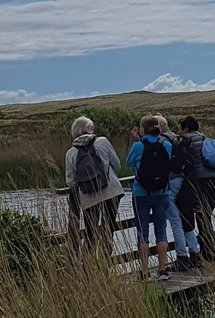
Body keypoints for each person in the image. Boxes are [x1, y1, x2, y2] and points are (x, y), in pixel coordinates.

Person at [64, 115, 125, 253]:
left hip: (89, 198)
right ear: (89, 129)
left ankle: (90, 267)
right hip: (111, 193)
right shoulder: (102, 142)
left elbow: (70, 181)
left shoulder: (71, 153)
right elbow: (117, 164)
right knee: (109, 228)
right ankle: (106, 263)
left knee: (90, 233)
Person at [125, 115, 172, 280]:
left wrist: (134, 141)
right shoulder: (166, 144)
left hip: (141, 193)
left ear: (142, 128)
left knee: (142, 232)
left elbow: (129, 163)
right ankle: (162, 269)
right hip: (162, 192)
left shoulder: (138, 146)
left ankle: (145, 271)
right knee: (161, 231)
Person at [154, 113, 198, 272]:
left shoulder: (162, 141)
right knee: (184, 217)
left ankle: (181, 257)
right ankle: (194, 252)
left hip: (170, 182)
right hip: (183, 180)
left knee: (175, 220)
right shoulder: (176, 137)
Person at [176, 115, 215, 263]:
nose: (178, 131)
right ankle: (209, 251)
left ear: (186, 128)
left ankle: (199, 252)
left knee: (194, 215)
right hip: (213, 180)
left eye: (180, 128)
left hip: (197, 181)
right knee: (206, 214)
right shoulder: (204, 138)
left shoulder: (185, 141)